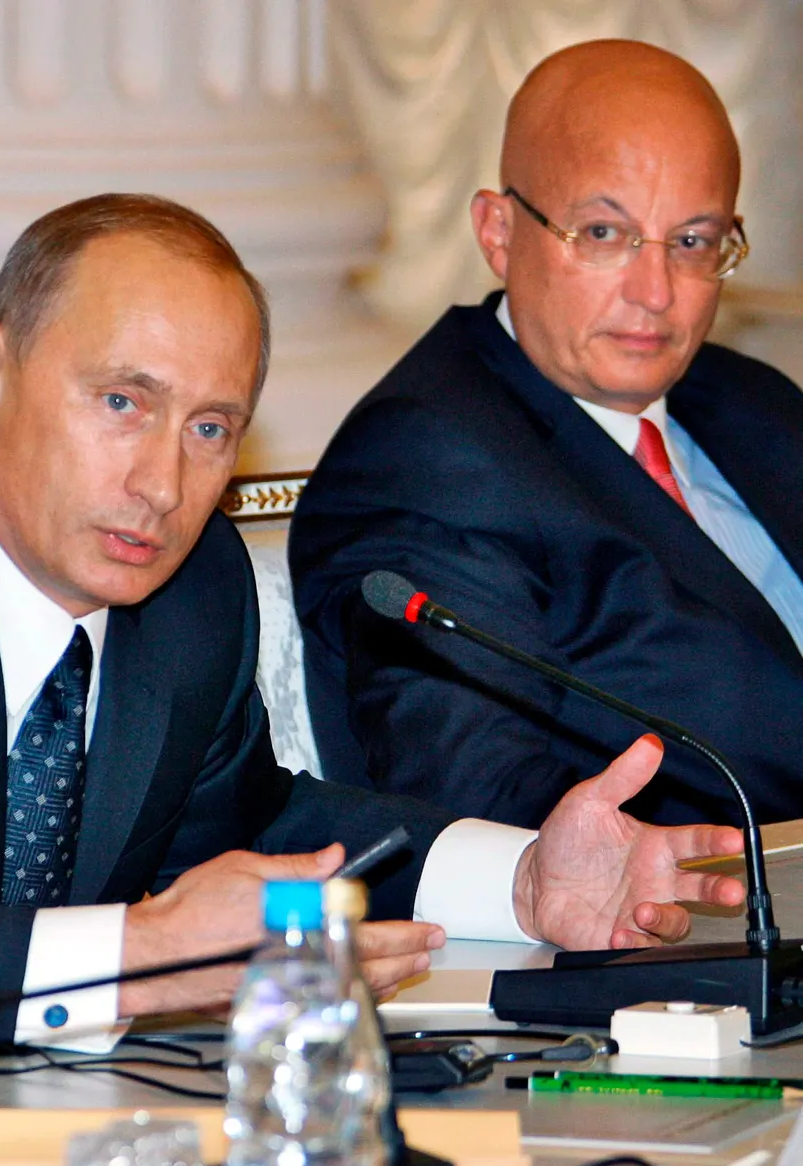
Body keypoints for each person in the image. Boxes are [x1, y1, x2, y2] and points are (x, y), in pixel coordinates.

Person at [0, 193, 743, 1050]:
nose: (162, 486)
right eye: (122, 402)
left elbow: (248, 827)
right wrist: (137, 957)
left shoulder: (192, 587)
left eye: (209, 429)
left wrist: (523, 880)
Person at [290, 39, 803, 832]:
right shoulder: (426, 459)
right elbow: (479, 793)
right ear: (498, 232)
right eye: (603, 233)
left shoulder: (752, 400)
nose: (656, 292)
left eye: (693, 242)